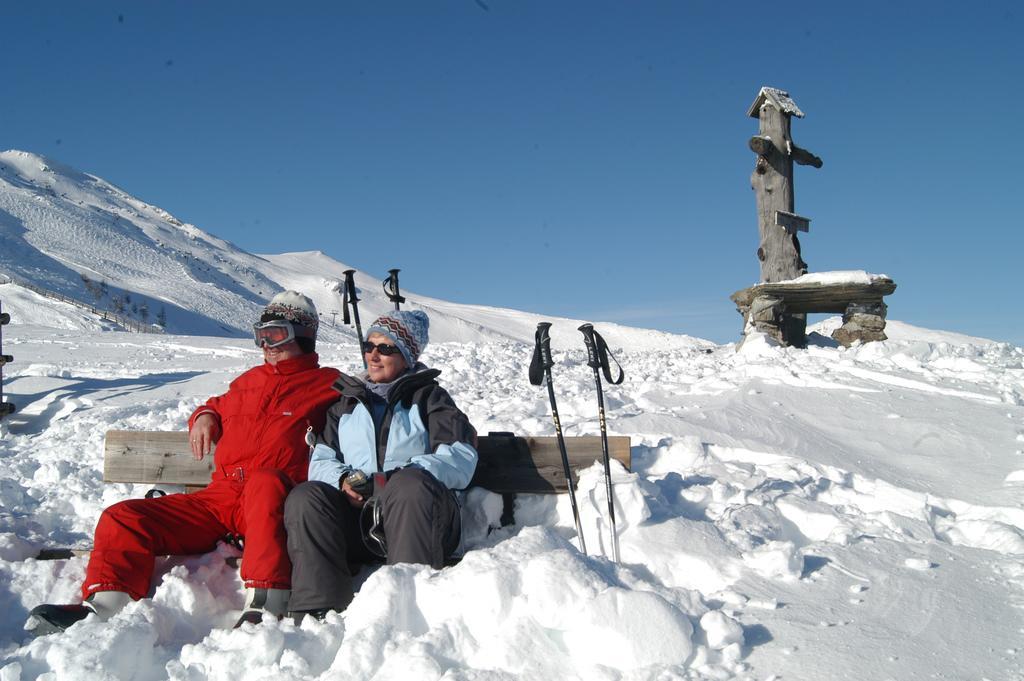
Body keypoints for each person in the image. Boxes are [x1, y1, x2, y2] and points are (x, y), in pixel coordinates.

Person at [28, 291, 341, 634]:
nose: (266, 343)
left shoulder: (330, 386)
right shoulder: (247, 382)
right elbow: (215, 405)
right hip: (218, 500)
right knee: (124, 517)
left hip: (271, 503)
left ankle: (265, 606)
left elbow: (366, 423)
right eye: (260, 335)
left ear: (303, 335)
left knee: (266, 481)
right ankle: (102, 606)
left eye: (276, 333)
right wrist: (205, 416)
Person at [283, 309, 477, 619]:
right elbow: (320, 459)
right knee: (307, 497)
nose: (373, 356)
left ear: (406, 356)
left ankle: (407, 609)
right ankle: (317, 610)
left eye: (386, 348)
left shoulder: (429, 398)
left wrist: (394, 480)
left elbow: (460, 456)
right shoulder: (346, 402)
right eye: (368, 346)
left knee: (409, 486)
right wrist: (344, 481)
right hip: (360, 523)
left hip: (421, 520)